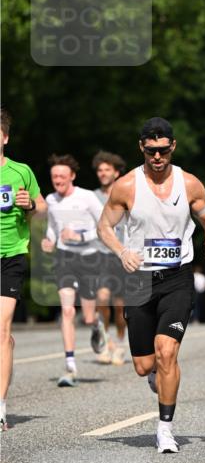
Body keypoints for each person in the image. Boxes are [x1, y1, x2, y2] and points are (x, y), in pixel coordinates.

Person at [97, 118, 205, 454]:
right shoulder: (125, 187)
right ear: (142, 148)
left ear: (173, 147)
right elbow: (104, 227)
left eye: (163, 150)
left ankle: (165, 429)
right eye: (151, 150)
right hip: (138, 279)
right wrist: (122, 251)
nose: (157, 156)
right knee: (144, 365)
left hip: (177, 277)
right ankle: (156, 375)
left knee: (168, 353)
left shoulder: (190, 183)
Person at [41, 154, 108, 386]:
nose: (57, 179)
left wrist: (80, 236)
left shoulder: (87, 197)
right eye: (54, 176)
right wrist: (48, 240)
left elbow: (105, 225)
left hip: (88, 258)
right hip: (64, 258)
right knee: (67, 312)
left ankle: (96, 322)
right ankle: (70, 366)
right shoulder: (50, 200)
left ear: (72, 176)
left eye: (62, 175)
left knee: (87, 316)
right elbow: (52, 228)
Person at [0, 108, 47, 428]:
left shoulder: (21, 172)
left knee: (1, 330)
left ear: (4, 137)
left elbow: (42, 210)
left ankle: (0, 405)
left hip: (10, 257)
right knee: (3, 336)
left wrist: (30, 206)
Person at [93, 151, 128, 364]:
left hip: (122, 254)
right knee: (102, 300)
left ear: (116, 172)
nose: (103, 173)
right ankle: (106, 343)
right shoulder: (92, 196)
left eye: (107, 169)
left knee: (121, 306)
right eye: (100, 170)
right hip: (100, 255)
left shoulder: (126, 193)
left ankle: (120, 343)